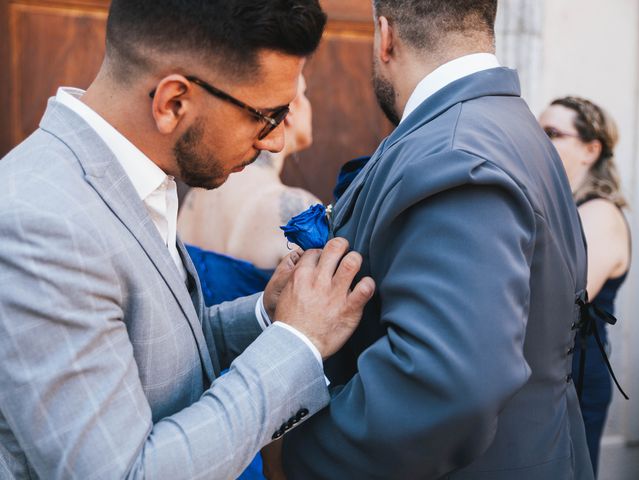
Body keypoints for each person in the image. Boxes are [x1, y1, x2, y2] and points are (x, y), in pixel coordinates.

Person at [0, 1, 376, 479]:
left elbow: (155, 356)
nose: (277, 141)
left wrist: (268, 314)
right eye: (267, 115)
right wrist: (296, 342)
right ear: (173, 102)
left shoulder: (132, 176)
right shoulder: (41, 224)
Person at [264, 1, 595, 479]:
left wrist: (301, 457)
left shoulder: (455, 152)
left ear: (385, 37)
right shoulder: (510, 124)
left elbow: (449, 381)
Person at [539, 96, 631, 476]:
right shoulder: (564, 207)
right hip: (553, 374)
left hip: (575, 378)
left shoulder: (600, 213)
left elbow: (559, 298)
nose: (540, 140)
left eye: (552, 133)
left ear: (591, 149)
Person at [177, 75, 319, 306]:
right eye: (305, 94)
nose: (308, 105)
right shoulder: (297, 207)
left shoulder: (196, 197)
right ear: (287, 113)